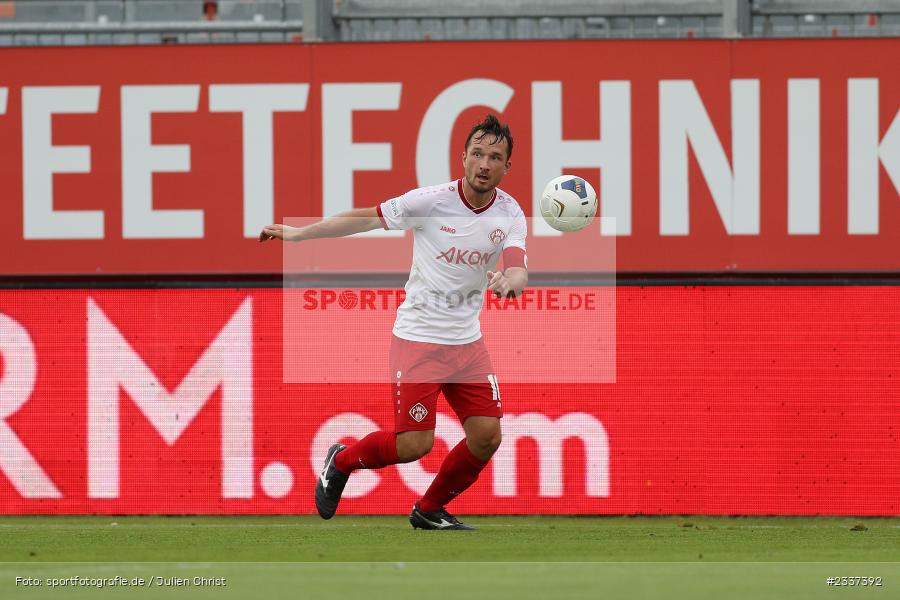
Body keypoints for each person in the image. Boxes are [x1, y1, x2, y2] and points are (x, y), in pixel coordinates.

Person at [259, 114, 527, 530]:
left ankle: (430, 509)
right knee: (414, 445)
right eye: (477, 153)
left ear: (507, 167)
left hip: (467, 344)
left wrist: (509, 283)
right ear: (463, 157)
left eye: (495, 157)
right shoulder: (431, 201)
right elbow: (364, 218)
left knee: (487, 435)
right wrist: (300, 235)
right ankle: (342, 461)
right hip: (419, 338)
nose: (484, 163)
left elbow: (517, 268)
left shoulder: (510, 212)